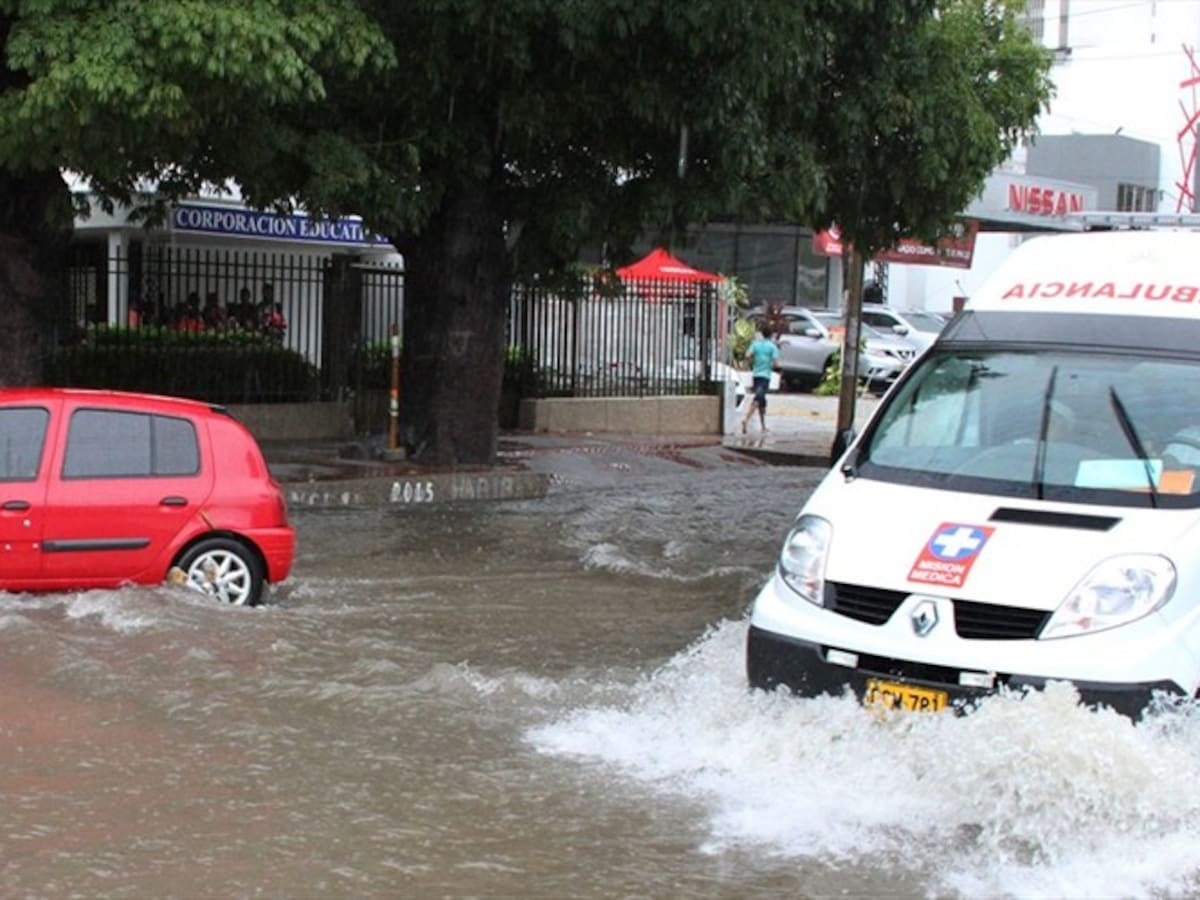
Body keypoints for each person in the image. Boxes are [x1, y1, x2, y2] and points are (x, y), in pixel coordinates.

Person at [742, 323, 780, 434]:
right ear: (771, 334)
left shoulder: (755, 344)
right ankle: (746, 420)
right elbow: (776, 363)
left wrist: (753, 360)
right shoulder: (772, 347)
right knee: (758, 398)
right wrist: (777, 367)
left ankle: (763, 426)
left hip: (756, 375)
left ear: (762, 334)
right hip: (765, 376)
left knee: (762, 401)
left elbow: (747, 355)